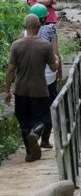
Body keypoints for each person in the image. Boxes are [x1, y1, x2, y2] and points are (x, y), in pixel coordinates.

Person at [4, 14, 59, 162]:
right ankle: (36, 132)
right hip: (39, 90)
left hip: (21, 90)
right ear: (38, 26)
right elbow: (53, 68)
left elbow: (10, 70)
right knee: (43, 118)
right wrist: (57, 61)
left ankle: (29, 153)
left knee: (24, 121)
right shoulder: (45, 45)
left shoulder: (16, 45)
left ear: (25, 27)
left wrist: (7, 90)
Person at [28, 3, 62, 149]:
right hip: (48, 76)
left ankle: (33, 130)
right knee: (51, 106)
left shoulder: (24, 34)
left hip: (31, 77)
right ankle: (44, 138)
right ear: (45, 17)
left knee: (35, 107)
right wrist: (59, 68)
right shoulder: (50, 29)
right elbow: (55, 53)